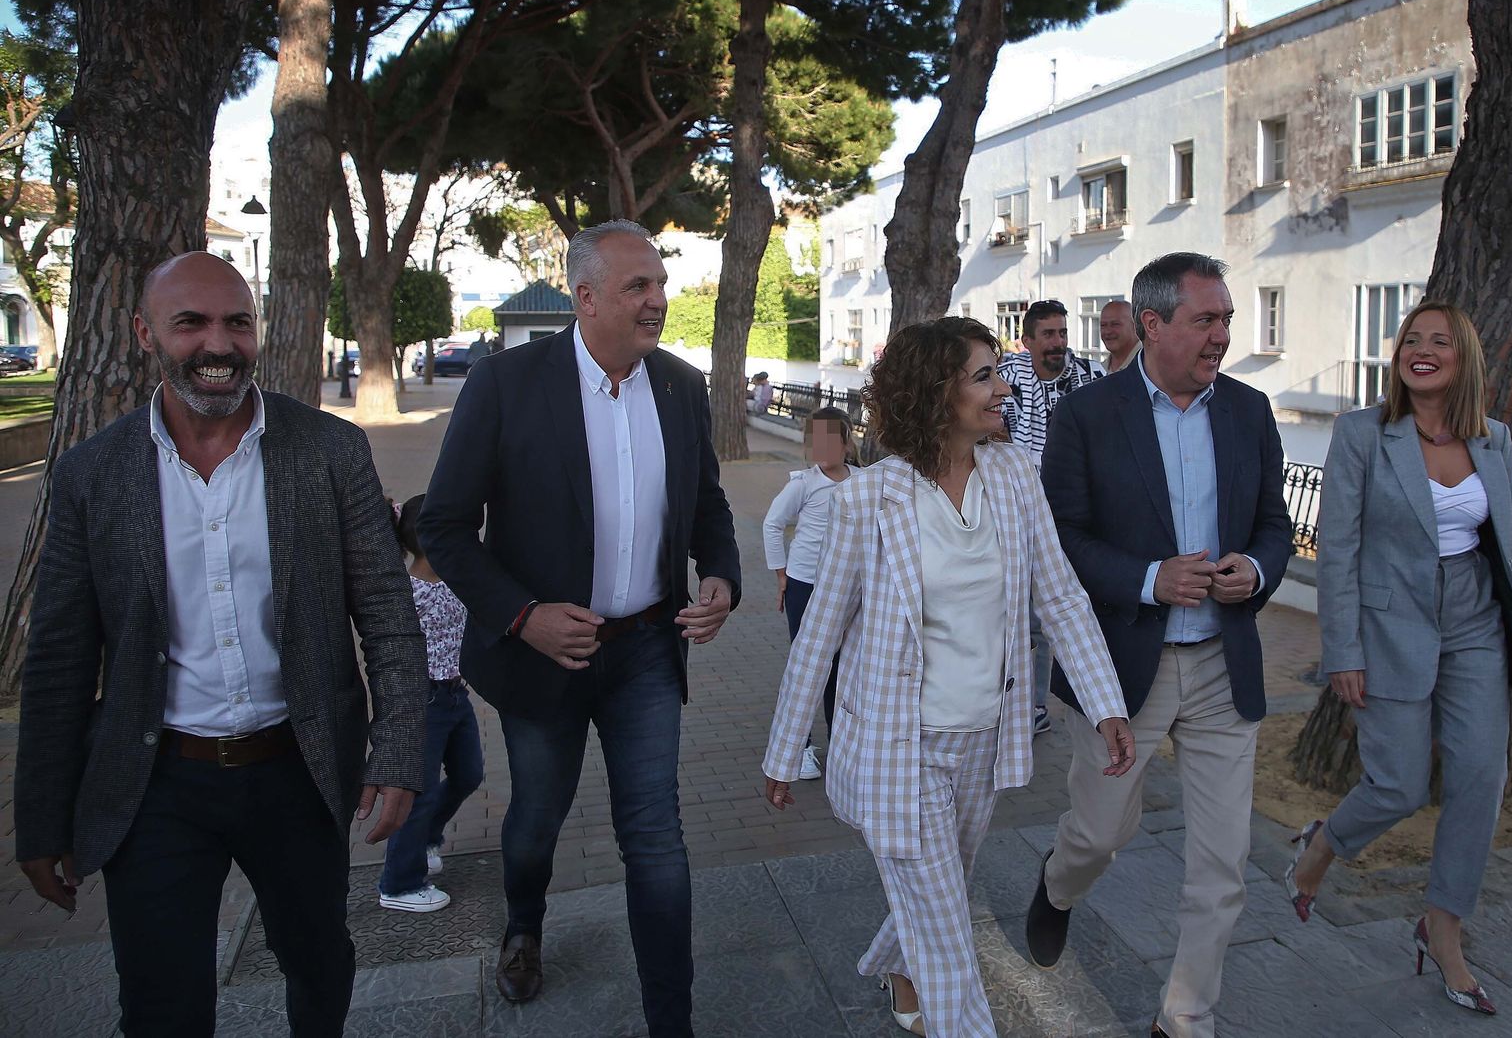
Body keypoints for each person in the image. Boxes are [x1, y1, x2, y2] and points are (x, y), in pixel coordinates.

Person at [14, 252, 427, 1037]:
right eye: (191, 323)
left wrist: (400, 749)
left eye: (238, 322)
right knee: (163, 1004)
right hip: (157, 783)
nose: (219, 342)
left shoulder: (329, 451)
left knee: (318, 961)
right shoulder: (90, 476)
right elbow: (60, 658)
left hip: (298, 771)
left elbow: (385, 609)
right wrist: (40, 819)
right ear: (144, 333)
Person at [763, 317, 1135, 1038]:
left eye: (999, 371)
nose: (1004, 388)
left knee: (937, 893)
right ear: (937, 393)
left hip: (983, 741)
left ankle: (896, 963)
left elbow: (1058, 594)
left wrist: (1105, 704)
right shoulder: (866, 501)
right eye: (984, 376)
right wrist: (785, 749)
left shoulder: (1015, 477)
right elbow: (820, 635)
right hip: (896, 751)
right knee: (947, 929)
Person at [418, 218, 740, 1035]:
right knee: (535, 819)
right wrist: (522, 617)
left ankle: (673, 1018)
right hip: (542, 660)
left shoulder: (678, 385)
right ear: (585, 296)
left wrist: (722, 577)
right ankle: (523, 921)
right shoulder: (505, 384)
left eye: (661, 284)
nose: (658, 301)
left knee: (655, 836)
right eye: (639, 287)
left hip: (645, 656)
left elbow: (705, 502)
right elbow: (445, 526)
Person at [1028, 252, 1293, 1038]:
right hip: (1121, 667)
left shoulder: (1249, 410)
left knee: (1223, 860)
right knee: (1103, 829)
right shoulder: (1087, 416)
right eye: (1206, 319)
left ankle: (1186, 1013)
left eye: (1227, 319)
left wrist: (1255, 567)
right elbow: (1062, 538)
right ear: (1153, 324)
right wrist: (1147, 577)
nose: (1223, 335)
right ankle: (1058, 885)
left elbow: (1276, 525)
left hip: (1222, 663)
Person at [1284, 302, 1512, 1017]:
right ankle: (1324, 842)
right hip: (1392, 625)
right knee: (1398, 783)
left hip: (1475, 625)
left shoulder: (1493, 441)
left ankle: (1444, 927)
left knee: (1479, 777)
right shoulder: (1363, 434)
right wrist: (1344, 649)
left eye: (1439, 342)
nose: (1421, 349)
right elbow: (1336, 549)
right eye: (1411, 339)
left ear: (1462, 361)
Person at [998, 298, 1104, 737]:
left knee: (1066, 612)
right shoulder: (1006, 378)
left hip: (1073, 514)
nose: (1058, 342)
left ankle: (1058, 702)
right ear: (1028, 340)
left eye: (1063, 333)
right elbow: (992, 431)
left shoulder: (1089, 379)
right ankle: (1024, 702)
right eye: (1049, 334)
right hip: (1017, 512)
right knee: (1020, 616)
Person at [377, 493, 486, 914]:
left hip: (455, 695)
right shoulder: (409, 594)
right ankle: (400, 883)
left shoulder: (456, 580)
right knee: (416, 793)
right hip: (422, 700)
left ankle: (424, 839)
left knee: (468, 773)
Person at [761, 406, 859, 780]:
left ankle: (842, 749)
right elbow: (772, 524)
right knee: (807, 667)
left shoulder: (864, 480)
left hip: (848, 587)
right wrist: (782, 574)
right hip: (806, 584)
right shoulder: (803, 483)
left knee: (843, 669)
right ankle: (796, 750)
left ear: (847, 442)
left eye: (831, 439)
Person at [1097, 298, 1141, 374]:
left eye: (1115, 324)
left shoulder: (1150, 366)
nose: (1108, 331)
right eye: (1103, 325)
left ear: (1135, 326)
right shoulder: (1099, 371)